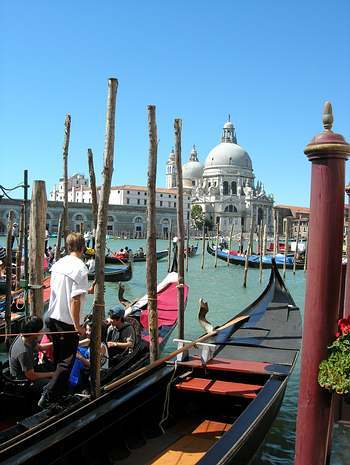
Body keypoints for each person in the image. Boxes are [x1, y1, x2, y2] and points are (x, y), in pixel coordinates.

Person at [38, 232, 96, 409]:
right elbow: (74, 300)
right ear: (82, 247)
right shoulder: (80, 267)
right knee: (67, 361)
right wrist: (78, 326)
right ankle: (48, 395)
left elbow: (65, 289)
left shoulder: (58, 264)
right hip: (66, 321)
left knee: (58, 359)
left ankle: (58, 395)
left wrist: (87, 290)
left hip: (51, 317)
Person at [9, 316, 54, 394]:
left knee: (53, 367)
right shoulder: (23, 352)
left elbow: (39, 347)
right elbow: (31, 376)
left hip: (31, 371)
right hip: (24, 381)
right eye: (40, 330)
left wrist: (56, 344)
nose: (42, 331)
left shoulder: (26, 338)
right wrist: (52, 374)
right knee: (53, 384)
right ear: (34, 333)